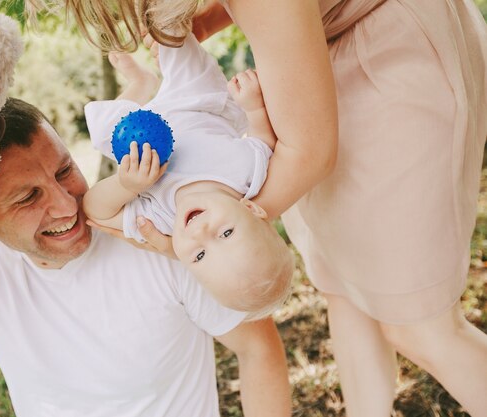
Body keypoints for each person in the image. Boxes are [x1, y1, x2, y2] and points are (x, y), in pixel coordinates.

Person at [38, 0, 487, 415]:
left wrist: (199, 233)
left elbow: (307, 154)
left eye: (199, 254)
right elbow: (268, 141)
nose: (201, 236)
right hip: (310, 64)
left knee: (417, 324)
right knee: (342, 286)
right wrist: (232, 217)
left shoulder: (181, 213)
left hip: (386, 53)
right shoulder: (242, 181)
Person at [0, 97, 292, 416]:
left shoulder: (163, 239)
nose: (67, 206)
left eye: (65, 171)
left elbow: (259, 351)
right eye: (29, 197)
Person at [82, 34, 293, 318]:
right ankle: (165, 20)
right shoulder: (247, 175)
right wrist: (254, 107)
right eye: (226, 233)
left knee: (102, 129)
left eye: (199, 256)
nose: (199, 233)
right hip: (197, 104)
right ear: (251, 208)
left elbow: (95, 211)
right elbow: (262, 140)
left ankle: (141, 85)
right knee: (175, 42)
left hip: (138, 137)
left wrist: (125, 185)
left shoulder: (161, 219)